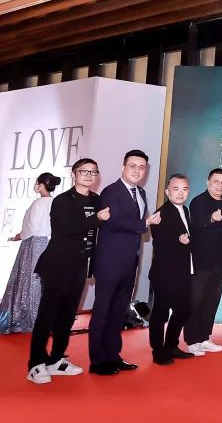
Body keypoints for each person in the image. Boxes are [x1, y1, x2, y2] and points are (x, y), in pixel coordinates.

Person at [27, 159, 109, 384]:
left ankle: (56, 359)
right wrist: (96, 219)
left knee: (67, 315)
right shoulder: (62, 200)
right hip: (57, 264)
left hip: (80, 264)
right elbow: (64, 229)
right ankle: (35, 363)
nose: (89, 175)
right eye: (84, 171)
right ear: (74, 174)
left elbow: (98, 234)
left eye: (93, 172)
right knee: (47, 315)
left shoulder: (97, 200)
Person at [89, 149, 160, 375]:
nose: (137, 171)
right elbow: (113, 221)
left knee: (119, 311)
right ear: (123, 167)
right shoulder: (111, 191)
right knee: (103, 311)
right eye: (133, 166)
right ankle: (98, 361)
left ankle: (113, 355)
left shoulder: (141, 192)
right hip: (109, 262)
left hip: (130, 263)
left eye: (142, 167)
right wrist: (144, 223)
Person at [1, 172, 60, 334]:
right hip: (52, 244)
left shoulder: (38, 204)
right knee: (45, 280)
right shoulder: (57, 202)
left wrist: (18, 237)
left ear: (40, 185)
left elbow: (30, 228)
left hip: (35, 244)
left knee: (31, 278)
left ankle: (27, 317)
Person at [184, 168, 222, 356]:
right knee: (196, 301)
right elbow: (197, 224)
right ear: (208, 182)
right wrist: (212, 219)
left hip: (219, 263)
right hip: (201, 262)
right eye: (216, 181)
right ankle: (192, 340)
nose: (220, 185)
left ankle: (204, 337)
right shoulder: (198, 201)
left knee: (212, 302)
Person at [148, 174, 195, 365]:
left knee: (184, 310)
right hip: (164, 273)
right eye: (176, 189)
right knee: (161, 312)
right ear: (167, 192)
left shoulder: (185, 210)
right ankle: (158, 351)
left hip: (183, 272)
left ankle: (171, 346)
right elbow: (159, 241)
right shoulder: (161, 213)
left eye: (184, 189)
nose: (180, 193)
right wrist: (178, 240)